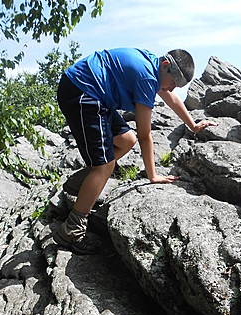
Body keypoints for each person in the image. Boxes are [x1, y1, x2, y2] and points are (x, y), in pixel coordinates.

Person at [53, 47, 217, 254]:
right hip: (82, 91)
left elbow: (168, 97)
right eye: (174, 83)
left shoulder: (153, 65)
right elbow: (145, 135)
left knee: (125, 140)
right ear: (166, 66)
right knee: (104, 166)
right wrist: (153, 176)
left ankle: (80, 185)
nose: (173, 89)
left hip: (94, 92)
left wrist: (192, 125)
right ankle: (71, 231)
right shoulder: (147, 77)